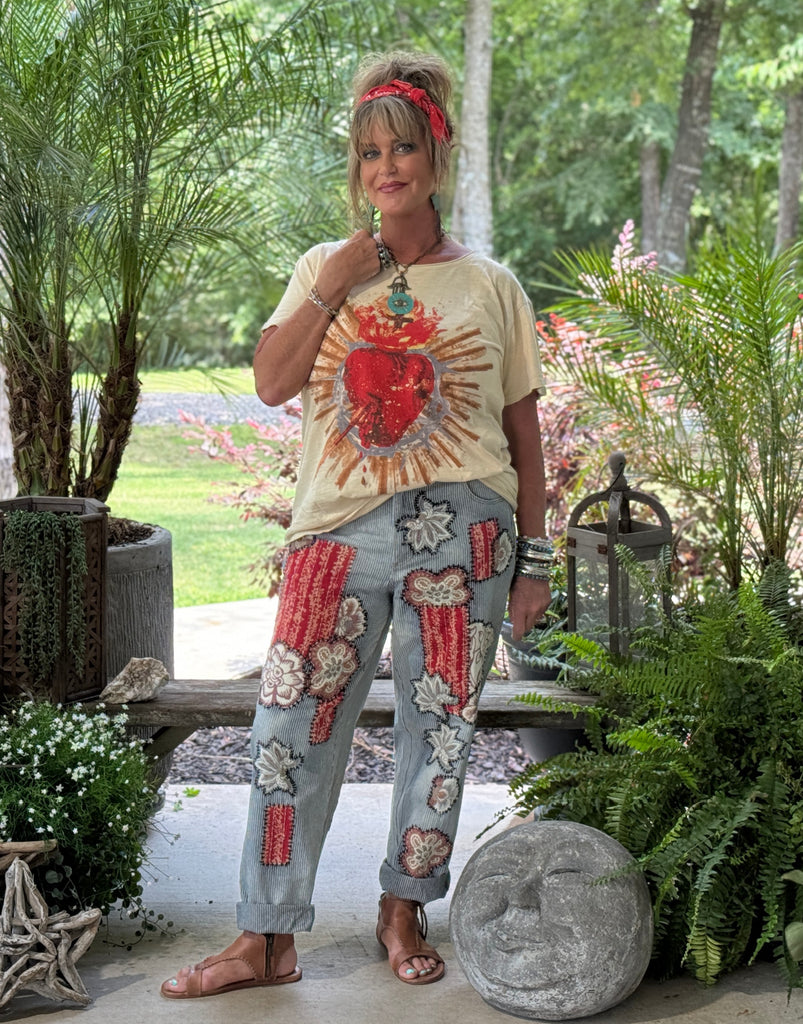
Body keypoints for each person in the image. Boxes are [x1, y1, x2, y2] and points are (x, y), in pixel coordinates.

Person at [161, 49, 551, 1000]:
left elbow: (523, 437)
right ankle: (265, 935)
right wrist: (337, 279)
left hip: (468, 532)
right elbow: (271, 382)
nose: (386, 167)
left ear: (436, 155)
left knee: (440, 731)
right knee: (287, 723)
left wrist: (535, 561)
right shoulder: (320, 268)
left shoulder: (490, 285)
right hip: (335, 531)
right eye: (369, 152)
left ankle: (403, 907)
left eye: (402, 148)